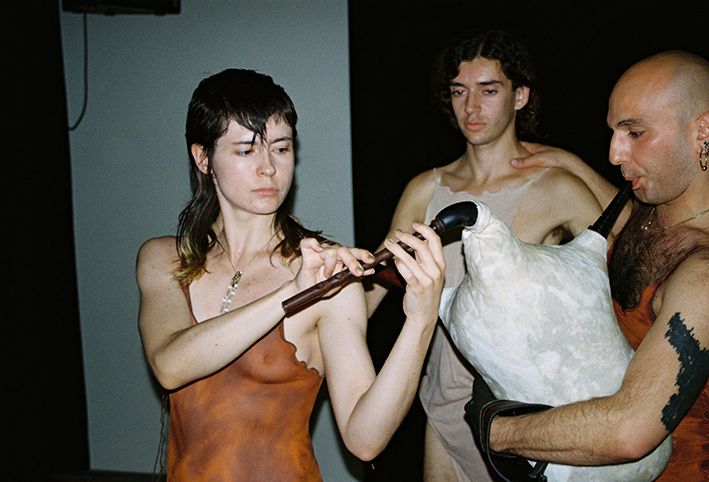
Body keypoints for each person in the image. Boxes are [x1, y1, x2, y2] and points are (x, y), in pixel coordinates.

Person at [135, 68, 446, 481]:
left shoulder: (326, 272)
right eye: (246, 151)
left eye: (280, 148)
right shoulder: (163, 258)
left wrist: (420, 321)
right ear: (203, 158)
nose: (268, 168)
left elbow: (365, 439)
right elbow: (170, 364)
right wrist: (292, 293)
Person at [362, 30, 602, 482]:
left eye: (488, 91)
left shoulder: (558, 188)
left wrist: (570, 162)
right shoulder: (425, 189)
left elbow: (626, 263)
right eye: (459, 92)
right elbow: (369, 293)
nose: (470, 107)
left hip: (522, 409)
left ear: (519, 96)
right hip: (442, 404)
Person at [490, 50, 709, 481]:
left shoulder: (701, 277)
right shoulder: (654, 212)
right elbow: (629, 236)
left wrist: (497, 430)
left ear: (703, 130)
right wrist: (568, 163)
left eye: (635, 132)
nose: (614, 152)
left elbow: (628, 431)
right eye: (613, 131)